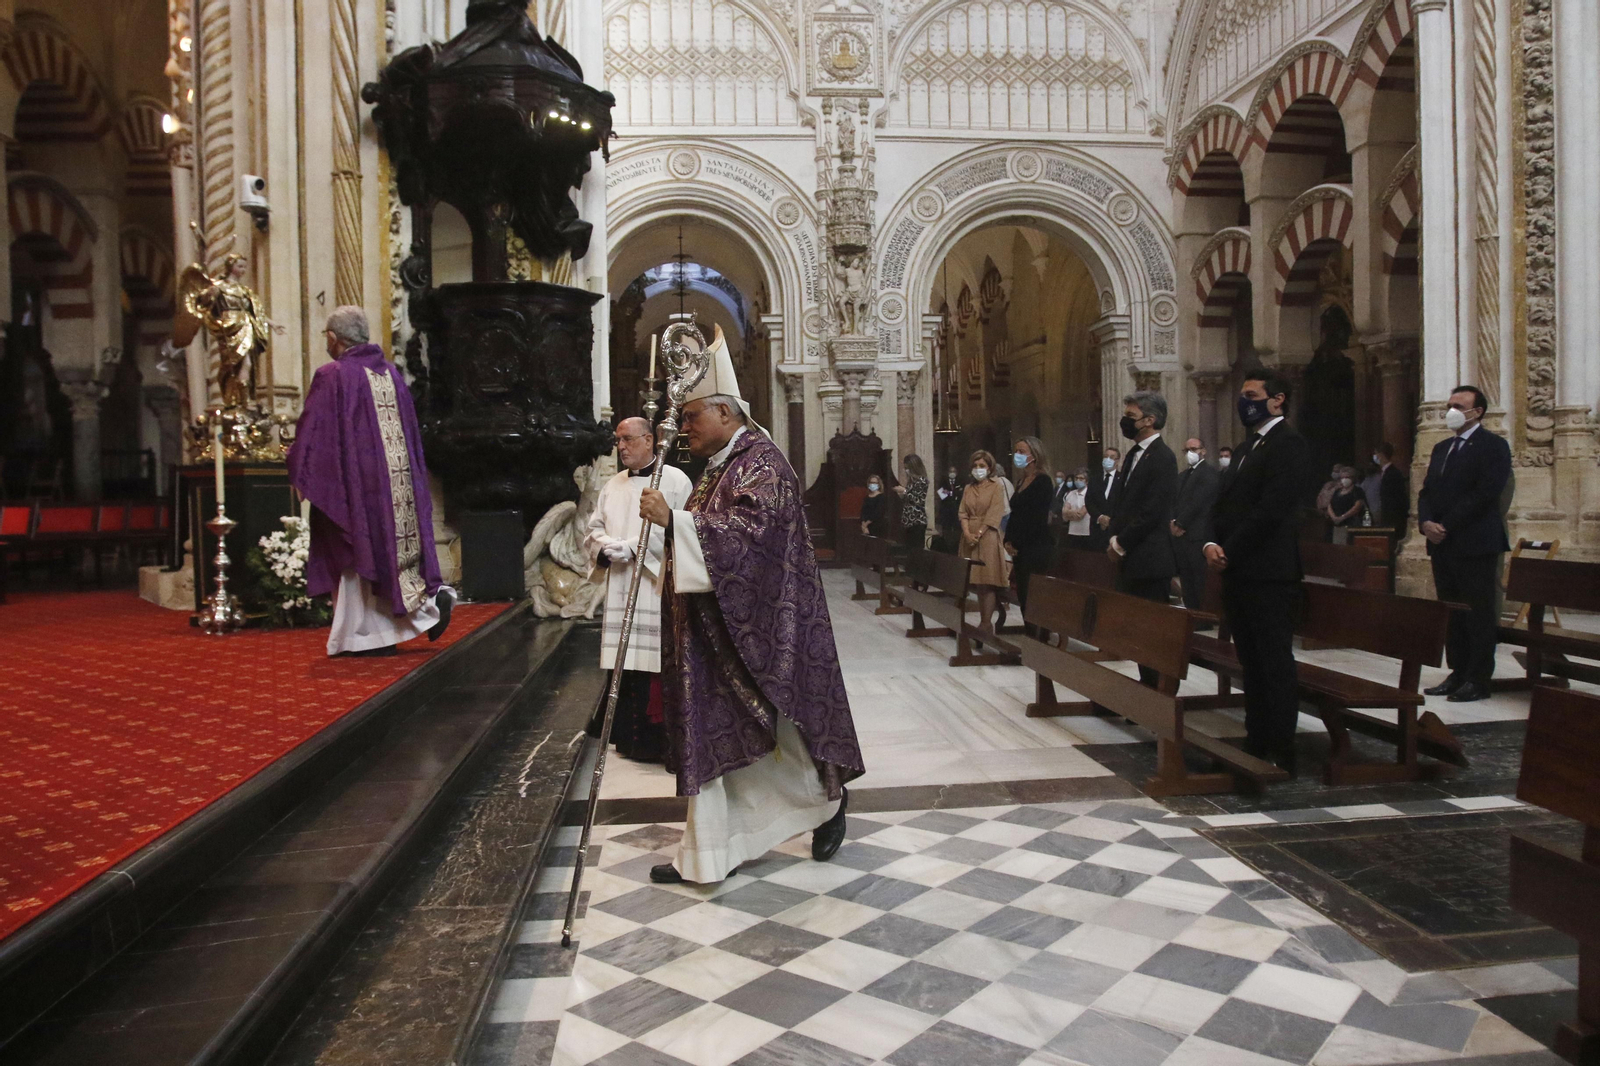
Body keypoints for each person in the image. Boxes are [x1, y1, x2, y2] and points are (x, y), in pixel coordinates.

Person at [638, 330, 863, 884]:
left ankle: (824, 802)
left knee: (771, 732)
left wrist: (678, 523)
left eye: (692, 418)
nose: (684, 429)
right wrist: (679, 528)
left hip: (760, 631)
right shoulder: (719, 465)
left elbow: (755, 537)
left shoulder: (761, 463)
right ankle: (708, 852)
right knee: (725, 736)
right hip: (715, 632)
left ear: (723, 410)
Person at [290, 307, 453, 658]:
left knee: (355, 550)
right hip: (393, 484)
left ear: (334, 339)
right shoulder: (391, 374)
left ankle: (366, 636)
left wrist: (300, 466)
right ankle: (407, 618)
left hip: (354, 485)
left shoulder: (332, 375)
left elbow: (315, 433)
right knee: (386, 552)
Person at [1204, 370, 1312, 773]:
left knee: (1273, 661)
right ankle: (1256, 736)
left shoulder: (1289, 444)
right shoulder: (1251, 445)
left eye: (1251, 395)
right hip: (1239, 569)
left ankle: (1282, 745)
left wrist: (1229, 549)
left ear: (1277, 399)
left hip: (1269, 572)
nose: (1243, 402)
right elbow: (1224, 503)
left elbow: (1272, 509)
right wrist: (1210, 542)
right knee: (1250, 660)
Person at [582, 416, 693, 763]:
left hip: (655, 584)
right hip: (619, 585)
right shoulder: (612, 485)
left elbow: (683, 527)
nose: (621, 447)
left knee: (654, 664)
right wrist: (603, 547)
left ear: (649, 440)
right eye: (618, 441)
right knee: (624, 664)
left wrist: (633, 547)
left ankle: (657, 742)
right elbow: (593, 527)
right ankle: (626, 740)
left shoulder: (675, 480)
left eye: (628, 439)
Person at [1416, 385, 1512, 704]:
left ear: (1477, 412)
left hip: (1475, 541)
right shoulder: (1442, 448)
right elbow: (1427, 491)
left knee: (1478, 613)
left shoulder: (1493, 446)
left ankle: (1478, 677)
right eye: (1449, 405)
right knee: (1452, 612)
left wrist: (1447, 524)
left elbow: (1486, 493)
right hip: (1442, 544)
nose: (1451, 410)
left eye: (1459, 405)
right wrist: (1425, 523)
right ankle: (1457, 671)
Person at [1105, 392, 1179, 685]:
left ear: (1150, 420)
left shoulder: (1162, 457)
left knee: (1151, 631)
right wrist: (1114, 535)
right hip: (1132, 557)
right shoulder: (1135, 454)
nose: (1126, 421)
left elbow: (1153, 511)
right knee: (1136, 629)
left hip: (1149, 557)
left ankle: (1156, 694)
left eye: (1131, 416)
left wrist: (1121, 542)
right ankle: (1144, 692)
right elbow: (1125, 504)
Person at [959, 450, 1010, 641]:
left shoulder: (996, 487)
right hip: (969, 535)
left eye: (982, 466)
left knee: (987, 581)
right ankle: (981, 620)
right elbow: (963, 512)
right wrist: (967, 533)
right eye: (975, 466)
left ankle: (986, 622)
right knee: (976, 582)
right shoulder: (968, 488)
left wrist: (979, 533)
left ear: (989, 468)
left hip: (987, 535)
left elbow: (995, 514)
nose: (978, 469)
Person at [1003, 437, 1054, 623]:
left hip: (1035, 547)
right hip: (1019, 548)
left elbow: (1036, 518)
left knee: (1033, 595)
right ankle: (1030, 634)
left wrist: (1016, 542)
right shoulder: (1021, 481)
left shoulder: (1043, 481)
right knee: (1023, 594)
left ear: (1034, 455)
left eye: (1022, 452)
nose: (1017, 455)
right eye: (1016, 451)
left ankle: (1039, 637)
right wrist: (1007, 540)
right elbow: (1014, 515)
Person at [1172, 436, 1221, 618]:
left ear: (1203, 451)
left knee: (1199, 578)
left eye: (1194, 449)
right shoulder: (1183, 475)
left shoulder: (1208, 473)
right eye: (1187, 450)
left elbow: (1198, 502)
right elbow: (1174, 501)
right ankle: (1191, 614)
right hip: (1181, 534)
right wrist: (1172, 521)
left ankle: (1203, 617)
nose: (1190, 453)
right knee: (1186, 577)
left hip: (1197, 532)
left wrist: (1180, 523)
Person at [1087, 445, 1120, 549]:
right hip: (1096, 527)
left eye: (1111, 457)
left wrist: (1110, 519)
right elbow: (1089, 500)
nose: (1108, 459)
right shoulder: (1094, 479)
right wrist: (1100, 517)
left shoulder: (1123, 479)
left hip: (1115, 528)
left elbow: (1125, 502)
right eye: (1106, 456)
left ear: (1117, 461)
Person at [894, 454, 929, 549]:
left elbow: (918, 500)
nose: (906, 470)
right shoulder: (911, 481)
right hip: (908, 520)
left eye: (908, 468)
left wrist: (904, 491)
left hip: (917, 520)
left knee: (916, 551)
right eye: (905, 468)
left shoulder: (922, 480)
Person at [1375, 442, 1410, 533]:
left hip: (1393, 518)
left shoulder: (1393, 473)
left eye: (1376, 453)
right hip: (1387, 516)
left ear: (1381, 455)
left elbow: (1396, 498)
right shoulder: (1385, 472)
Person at [1061, 469, 1095, 551]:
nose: (1078, 480)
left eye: (1081, 478)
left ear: (1086, 481)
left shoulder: (1090, 494)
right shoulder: (1071, 494)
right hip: (1072, 531)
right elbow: (1064, 514)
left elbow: (1080, 515)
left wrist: (1069, 512)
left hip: (1086, 532)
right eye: (1076, 478)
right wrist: (1072, 513)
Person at [1326, 465, 1367, 529]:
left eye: (1347, 477)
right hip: (1335, 523)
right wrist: (1334, 517)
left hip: (1351, 523)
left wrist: (1343, 517)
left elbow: (1357, 506)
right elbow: (1330, 505)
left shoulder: (1357, 491)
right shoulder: (1337, 491)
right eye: (1342, 477)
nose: (1344, 479)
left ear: (1353, 478)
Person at [934, 465, 963, 552]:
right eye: (950, 471)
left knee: (957, 529)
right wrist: (953, 493)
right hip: (946, 509)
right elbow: (941, 493)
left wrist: (950, 493)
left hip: (957, 509)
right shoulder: (943, 481)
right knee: (946, 529)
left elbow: (960, 493)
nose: (952, 473)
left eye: (953, 472)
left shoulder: (960, 481)